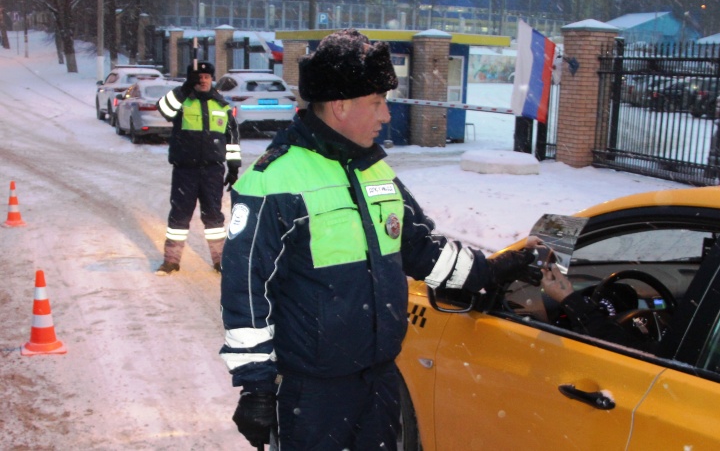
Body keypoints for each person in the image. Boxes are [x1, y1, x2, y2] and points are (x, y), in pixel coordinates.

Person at [219, 29, 541, 450]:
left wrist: (491, 270)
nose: (385, 115)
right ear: (339, 105)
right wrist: (256, 386)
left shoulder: (376, 172)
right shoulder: (273, 180)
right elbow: (245, 288)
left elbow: (422, 251)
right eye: (376, 102)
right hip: (311, 395)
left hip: (381, 379)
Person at [155, 61, 241, 275]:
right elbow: (163, 109)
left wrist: (233, 168)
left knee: (214, 217)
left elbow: (231, 139)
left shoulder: (222, 106)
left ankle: (221, 260)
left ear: (212, 79)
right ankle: (171, 260)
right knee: (179, 216)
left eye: (206, 76)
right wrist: (184, 89)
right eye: (198, 77)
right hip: (185, 170)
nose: (202, 80)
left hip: (212, 170)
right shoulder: (182, 101)